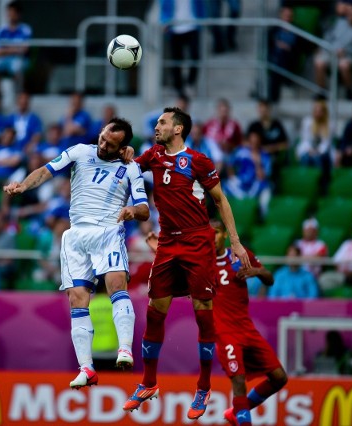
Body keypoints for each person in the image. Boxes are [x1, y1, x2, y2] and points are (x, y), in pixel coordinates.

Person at [122, 107, 250, 420]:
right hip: (167, 241)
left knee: (203, 315)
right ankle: (149, 382)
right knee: (155, 312)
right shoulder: (152, 154)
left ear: (178, 129)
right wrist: (125, 156)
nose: (156, 126)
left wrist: (234, 241)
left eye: (162, 122)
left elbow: (220, 200)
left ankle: (204, 386)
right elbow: (128, 169)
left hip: (196, 242)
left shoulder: (198, 161)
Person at [4, 117, 149, 388]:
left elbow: (144, 209)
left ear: (122, 148)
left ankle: (125, 349)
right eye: (103, 137)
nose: (102, 144)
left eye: (110, 143)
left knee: (117, 284)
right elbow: (46, 171)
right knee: (77, 299)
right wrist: (23, 185)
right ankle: (86, 368)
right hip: (76, 235)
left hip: (108, 230)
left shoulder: (130, 168)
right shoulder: (80, 151)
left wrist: (131, 211)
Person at [145, 219, 286, 425]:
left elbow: (269, 279)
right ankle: (241, 417)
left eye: (217, 232)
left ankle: (235, 412)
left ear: (225, 235)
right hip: (224, 334)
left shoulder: (239, 255)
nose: (213, 236)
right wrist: (157, 249)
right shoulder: (199, 263)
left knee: (279, 378)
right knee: (238, 382)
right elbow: (172, 269)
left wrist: (256, 271)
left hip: (248, 329)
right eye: (209, 233)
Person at [313, 3, 352, 100]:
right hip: (331, 51)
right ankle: (321, 91)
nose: (351, 16)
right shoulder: (339, 23)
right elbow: (328, 36)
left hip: (347, 54)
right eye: (349, 14)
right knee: (319, 62)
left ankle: (349, 90)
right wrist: (322, 48)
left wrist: (346, 51)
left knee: (344, 65)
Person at [222, 129, 272, 217]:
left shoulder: (265, 156)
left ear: (259, 142)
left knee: (264, 190)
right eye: (252, 141)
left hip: (255, 183)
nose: (254, 143)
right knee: (224, 187)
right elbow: (230, 164)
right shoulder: (242, 151)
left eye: (256, 141)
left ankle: (257, 215)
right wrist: (232, 176)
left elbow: (262, 176)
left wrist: (257, 161)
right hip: (241, 182)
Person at [160, 0, 204, 97]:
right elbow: (164, 7)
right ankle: (178, 86)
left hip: (192, 26)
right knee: (176, 59)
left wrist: (201, 20)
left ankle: (190, 82)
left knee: (195, 56)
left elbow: (201, 5)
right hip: (175, 28)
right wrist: (164, 21)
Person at [0, 1, 32, 92]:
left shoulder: (25, 29)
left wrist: (5, 49)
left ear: (19, 14)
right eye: (9, 12)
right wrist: (14, 49)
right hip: (3, 59)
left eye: (14, 12)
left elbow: (24, 49)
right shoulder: (0, 30)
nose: (11, 15)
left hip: (19, 59)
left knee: (17, 67)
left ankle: (18, 93)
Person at [296, 98, 333, 188]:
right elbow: (305, 140)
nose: (317, 113)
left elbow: (326, 143)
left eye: (320, 111)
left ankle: (320, 184)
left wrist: (317, 151)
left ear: (324, 112)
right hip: (309, 149)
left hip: (323, 152)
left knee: (317, 158)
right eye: (315, 111)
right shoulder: (307, 122)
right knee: (305, 158)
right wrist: (310, 150)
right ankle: (305, 183)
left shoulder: (329, 125)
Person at [267, 6, 299, 103]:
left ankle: (285, 80)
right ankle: (273, 99)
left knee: (281, 59)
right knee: (277, 64)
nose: (287, 18)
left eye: (289, 16)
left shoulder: (297, 30)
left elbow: (301, 47)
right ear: (281, 16)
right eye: (285, 16)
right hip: (275, 58)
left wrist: (289, 48)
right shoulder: (274, 30)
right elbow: (268, 45)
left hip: (290, 58)